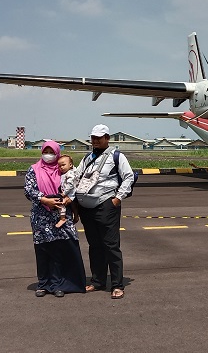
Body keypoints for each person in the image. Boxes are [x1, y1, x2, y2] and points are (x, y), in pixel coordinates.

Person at [68, 124, 135, 299]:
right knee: (94, 246)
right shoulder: (87, 157)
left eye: (99, 137)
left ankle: (117, 285)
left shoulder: (116, 156)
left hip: (106, 205)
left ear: (107, 138)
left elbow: (128, 176)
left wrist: (118, 198)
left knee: (111, 246)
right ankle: (98, 281)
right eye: (93, 138)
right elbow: (77, 176)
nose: (95, 141)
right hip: (87, 208)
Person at [24, 141, 86, 297]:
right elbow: (28, 190)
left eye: (52, 151)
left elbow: (75, 187)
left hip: (61, 214)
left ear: (58, 153)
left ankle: (59, 283)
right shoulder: (34, 169)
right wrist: (44, 199)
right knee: (43, 250)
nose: (49, 154)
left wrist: (70, 201)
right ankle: (43, 283)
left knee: (60, 250)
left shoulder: (63, 170)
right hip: (41, 215)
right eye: (46, 151)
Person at [56, 154, 77, 228]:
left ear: (70, 165)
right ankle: (76, 216)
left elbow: (70, 185)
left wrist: (64, 193)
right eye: (59, 166)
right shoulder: (65, 173)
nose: (61, 167)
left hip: (70, 194)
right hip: (70, 193)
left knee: (62, 204)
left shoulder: (70, 174)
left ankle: (62, 218)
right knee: (73, 206)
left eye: (63, 165)